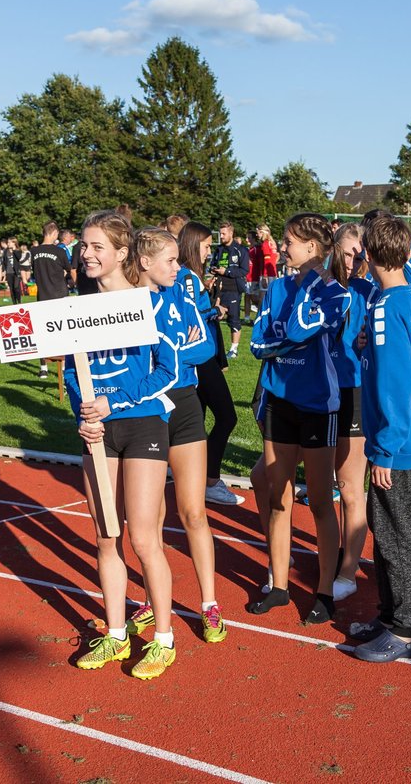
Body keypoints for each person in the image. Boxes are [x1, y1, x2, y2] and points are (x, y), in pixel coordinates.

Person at [65, 211, 179, 680]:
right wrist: (85, 413)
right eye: (84, 247)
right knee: (105, 535)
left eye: (96, 247)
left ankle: (164, 639)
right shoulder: (77, 307)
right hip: (100, 432)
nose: (87, 254)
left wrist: (116, 401)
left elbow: (169, 369)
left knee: (143, 537)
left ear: (121, 252)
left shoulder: (149, 302)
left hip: (144, 424)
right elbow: (73, 370)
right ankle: (115, 634)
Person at [124, 227, 229, 646]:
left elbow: (203, 348)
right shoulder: (125, 297)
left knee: (193, 512)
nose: (180, 266)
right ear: (144, 261)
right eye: (169, 259)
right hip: (146, 410)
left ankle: (209, 604)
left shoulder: (182, 288)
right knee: (148, 522)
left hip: (183, 403)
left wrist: (163, 354)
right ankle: (154, 598)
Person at [247, 213, 349, 624]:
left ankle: (324, 593)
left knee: (322, 501)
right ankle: (280, 586)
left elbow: (294, 327)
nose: (282, 247)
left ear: (312, 248)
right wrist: (282, 339)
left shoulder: (334, 292)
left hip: (317, 404)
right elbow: (257, 342)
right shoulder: (275, 286)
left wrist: (285, 329)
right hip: (278, 400)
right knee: (277, 497)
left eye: (289, 241)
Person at [349, 214, 411, 662]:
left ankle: (405, 629)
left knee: (396, 534)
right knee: (386, 529)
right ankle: (389, 616)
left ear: (367, 253)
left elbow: (397, 386)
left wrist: (384, 449)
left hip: (396, 441)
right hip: (406, 432)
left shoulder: (386, 307)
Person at [176, 222, 241, 506]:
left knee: (196, 422)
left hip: (197, 357)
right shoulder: (188, 277)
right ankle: (210, 480)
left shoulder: (187, 275)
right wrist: (216, 310)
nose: (208, 252)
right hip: (199, 357)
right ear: (193, 246)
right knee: (227, 416)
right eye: (205, 246)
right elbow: (192, 317)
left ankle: (194, 477)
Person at [326, 223, 373, 602]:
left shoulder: (367, 289)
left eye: (358, 254)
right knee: (328, 481)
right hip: (319, 391)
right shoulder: (321, 287)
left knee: (349, 485)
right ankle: (338, 554)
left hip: (353, 389)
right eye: (346, 252)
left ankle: (349, 569)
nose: (352, 261)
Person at [30, 221, 72, 379]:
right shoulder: (59, 251)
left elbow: (34, 272)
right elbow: (68, 270)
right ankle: (63, 368)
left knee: (43, 333)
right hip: (60, 295)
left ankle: (43, 368)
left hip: (43, 296)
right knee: (63, 333)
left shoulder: (34, 251)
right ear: (54, 233)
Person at [210, 221, 248, 360]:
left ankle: (234, 349)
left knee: (233, 319)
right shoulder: (218, 249)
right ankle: (215, 347)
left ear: (231, 233)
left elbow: (244, 270)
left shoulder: (241, 250)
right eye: (220, 233)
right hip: (218, 288)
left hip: (233, 289)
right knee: (214, 317)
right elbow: (212, 264)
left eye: (223, 233)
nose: (221, 236)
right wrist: (213, 269)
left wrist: (227, 271)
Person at [2, 237, 23, 304]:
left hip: (16, 272)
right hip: (9, 272)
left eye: (9, 242)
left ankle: (19, 301)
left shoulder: (18, 250)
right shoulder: (5, 251)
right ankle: (14, 303)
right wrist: (4, 270)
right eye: (7, 242)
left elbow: (19, 258)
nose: (8, 244)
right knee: (11, 288)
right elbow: (4, 261)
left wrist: (14, 250)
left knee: (16, 287)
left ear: (14, 243)